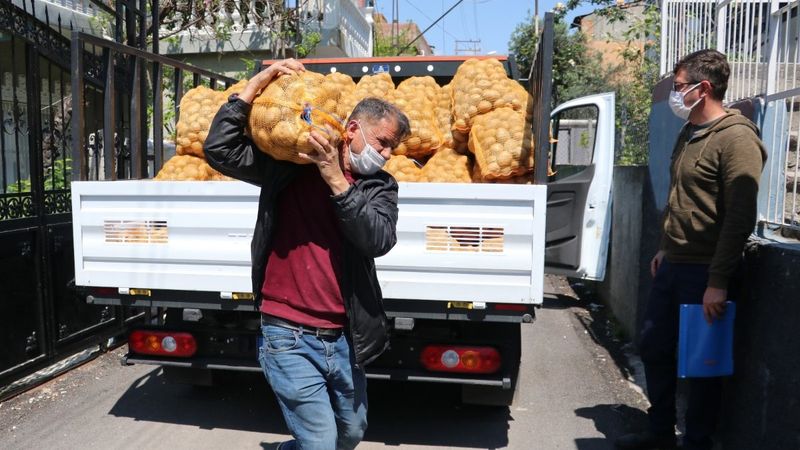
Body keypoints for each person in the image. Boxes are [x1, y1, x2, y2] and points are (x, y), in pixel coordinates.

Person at [203, 59, 411, 450]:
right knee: (319, 442)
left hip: (345, 338)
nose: (386, 154)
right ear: (352, 129)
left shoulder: (380, 187)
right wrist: (257, 83)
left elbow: (378, 239)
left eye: (391, 148)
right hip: (287, 332)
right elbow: (220, 149)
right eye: (382, 143)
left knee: (350, 433)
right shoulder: (290, 165)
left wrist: (336, 179)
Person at [615, 49, 766, 450]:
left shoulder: (737, 138)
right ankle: (660, 431)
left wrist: (717, 281)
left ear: (704, 88)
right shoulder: (690, 132)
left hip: (707, 270)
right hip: (674, 263)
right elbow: (680, 196)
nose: (674, 95)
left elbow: (739, 215)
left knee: (702, 363)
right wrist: (665, 247)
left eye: (680, 87)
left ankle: (697, 441)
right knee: (654, 346)